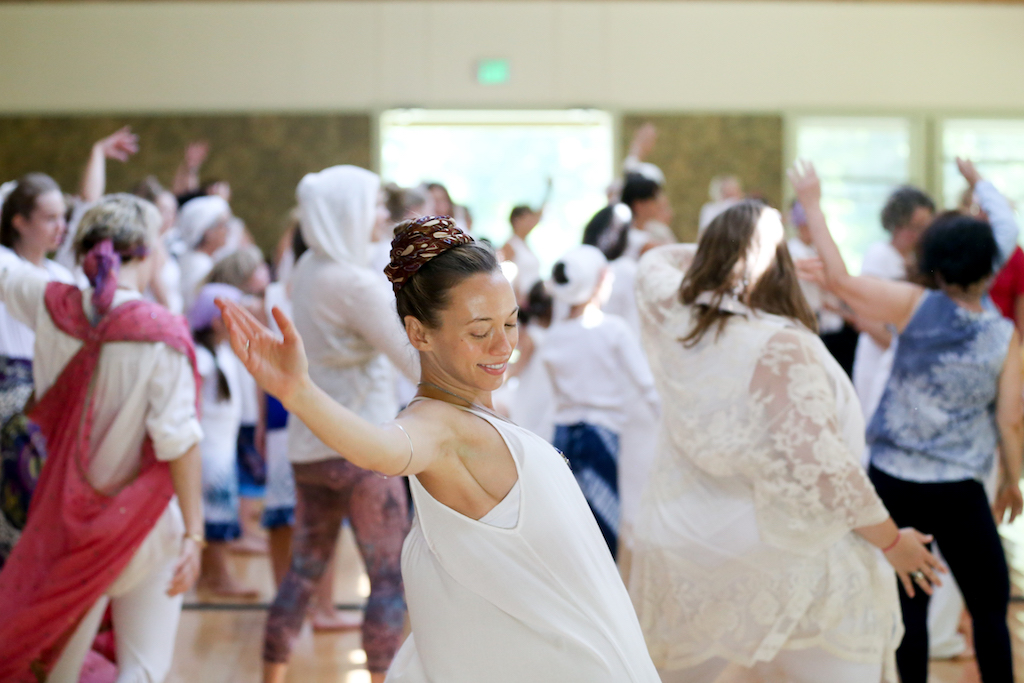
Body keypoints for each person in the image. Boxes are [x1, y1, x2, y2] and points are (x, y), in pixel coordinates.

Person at [217, 214, 661, 683]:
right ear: (418, 333)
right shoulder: (437, 425)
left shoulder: (474, 412)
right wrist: (299, 394)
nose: (502, 344)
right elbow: (382, 450)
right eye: (478, 330)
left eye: (510, 322)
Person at [630, 198, 943, 683]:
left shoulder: (678, 314)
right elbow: (823, 464)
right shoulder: (778, 345)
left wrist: (727, 253)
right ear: (776, 264)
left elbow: (656, 260)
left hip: (691, 542)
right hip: (788, 554)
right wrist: (891, 540)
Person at [792, 160, 1022, 683]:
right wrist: (1012, 480)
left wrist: (812, 202)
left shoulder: (915, 304)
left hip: (894, 481)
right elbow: (1010, 421)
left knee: (907, 609)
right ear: (991, 268)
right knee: (989, 606)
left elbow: (845, 281)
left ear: (935, 268)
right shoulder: (1003, 336)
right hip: (961, 488)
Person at [0, 194, 204, 682]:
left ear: (82, 249)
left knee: (58, 670)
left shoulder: (49, 303)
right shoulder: (161, 332)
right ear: (149, 251)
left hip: (66, 524)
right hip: (148, 525)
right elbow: (179, 441)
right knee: (144, 667)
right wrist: (196, 533)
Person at [261, 165, 417, 683]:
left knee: (301, 575)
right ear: (347, 213)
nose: (381, 215)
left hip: (310, 448)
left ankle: (271, 674)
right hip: (363, 448)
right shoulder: (353, 284)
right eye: (373, 205)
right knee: (389, 578)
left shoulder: (306, 269)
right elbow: (412, 364)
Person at [541, 245, 659, 558]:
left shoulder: (553, 337)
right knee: (602, 532)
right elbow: (647, 385)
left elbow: (552, 396)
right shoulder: (613, 329)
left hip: (561, 439)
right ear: (602, 279)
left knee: (569, 530)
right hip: (602, 436)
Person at [0, 174, 78, 563]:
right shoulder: (4, 265)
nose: (60, 228)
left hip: (48, 393)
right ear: (19, 221)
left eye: (63, 218)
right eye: (50, 218)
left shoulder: (62, 276)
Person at [189, 282, 259, 598]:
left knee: (216, 511)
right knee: (216, 513)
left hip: (220, 446)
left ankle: (211, 575)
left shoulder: (218, 353)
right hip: (209, 450)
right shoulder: (202, 359)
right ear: (216, 320)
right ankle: (218, 576)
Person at [787, 199, 859, 376]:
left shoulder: (816, 250)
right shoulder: (792, 252)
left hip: (830, 322)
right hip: (809, 320)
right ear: (803, 225)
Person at [176, 195, 231, 311]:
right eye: (223, 225)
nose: (228, 230)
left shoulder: (205, 259)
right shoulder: (199, 265)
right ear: (208, 232)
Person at [499, 205, 542, 301]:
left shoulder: (525, 244)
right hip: (520, 302)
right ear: (517, 220)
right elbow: (505, 276)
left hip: (534, 299)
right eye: (528, 219)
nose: (531, 223)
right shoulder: (509, 246)